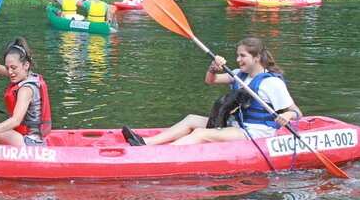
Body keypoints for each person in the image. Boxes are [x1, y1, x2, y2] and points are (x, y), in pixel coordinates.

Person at [123, 38, 302, 146]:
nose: (238, 60)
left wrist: (288, 116)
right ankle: (147, 143)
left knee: (201, 134)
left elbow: (296, 112)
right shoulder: (240, 75)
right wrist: (213, 68)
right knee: (192, 119)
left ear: (256, 58)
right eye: (237, 55)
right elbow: (211, 80)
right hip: (237, 126)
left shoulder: (271, 83)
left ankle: (161, 155)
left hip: (256, 132)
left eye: (242, 56)